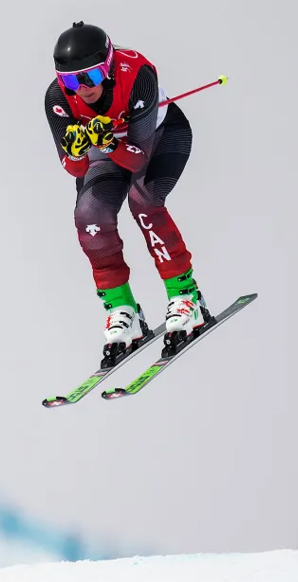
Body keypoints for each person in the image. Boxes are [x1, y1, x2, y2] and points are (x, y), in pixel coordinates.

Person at [44, 21, 215, 367]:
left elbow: (138, 154)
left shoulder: (137, 74)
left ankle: (186, 298)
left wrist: (105, 140)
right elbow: (73, 169)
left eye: (89, 77)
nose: (82, 88)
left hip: (158, 138)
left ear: (107, 67)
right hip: (107, 151)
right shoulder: (57, 98)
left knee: (145, 203)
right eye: (71, 81)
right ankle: (123, 310)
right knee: (90, 216)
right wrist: (77, 152)